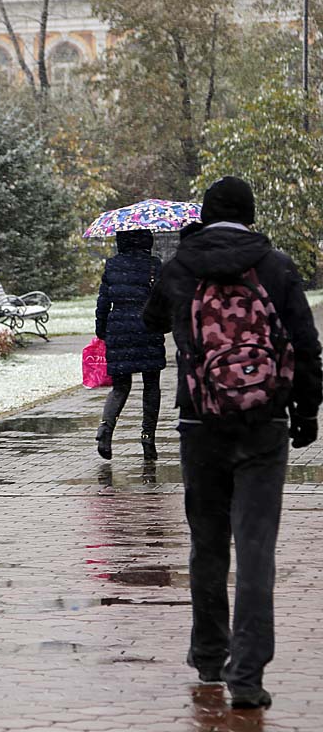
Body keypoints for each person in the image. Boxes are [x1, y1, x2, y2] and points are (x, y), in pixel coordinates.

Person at [143, 176, 322, 709]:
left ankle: (208, 655)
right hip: (265, 425)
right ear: (250, 213)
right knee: (256, 550)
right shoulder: (275, 265)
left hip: (201, 424)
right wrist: (307, 413)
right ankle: (247, 677)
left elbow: (150, 320)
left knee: (207, 544)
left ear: (205, 213)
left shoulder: (182, 265)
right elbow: (308, 345)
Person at [94, 229, 166, 460]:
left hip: (119, 330)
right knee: (151, 385)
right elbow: (162, 300)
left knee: (120, 386)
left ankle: (106, 429)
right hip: (148, 328)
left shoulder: (112, 265)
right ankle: (148, 439)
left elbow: (103, 301)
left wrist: (102, 330)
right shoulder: (154, 265)